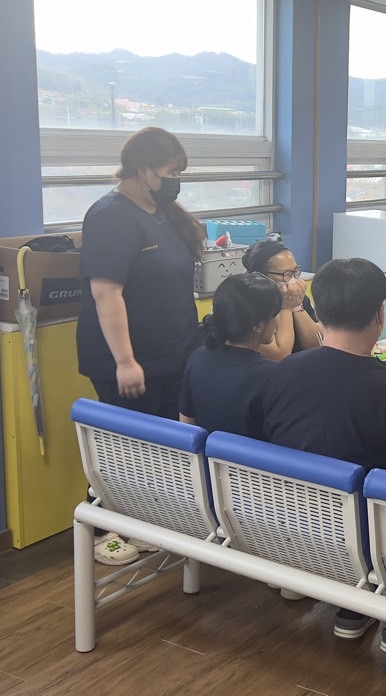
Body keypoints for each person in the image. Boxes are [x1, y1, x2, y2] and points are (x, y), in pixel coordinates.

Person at [260, 257, 386, 656]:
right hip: (369, 537)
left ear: (320, 311)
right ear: (380, 313)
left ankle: (354, 607)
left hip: (293, 524)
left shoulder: (283, 371)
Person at [75, 127, 204, 567]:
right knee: (121, 449)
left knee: (160, 449)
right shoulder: (110, 215)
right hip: (130, 360)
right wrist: (126, 361)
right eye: (171, 172)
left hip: (174, 353)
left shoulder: (162, 213)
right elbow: (106, 293)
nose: (176, 181)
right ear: (143, 170)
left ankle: (141, 523)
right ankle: (102, 530)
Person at [178, 273, 282, 438]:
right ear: (258, 325)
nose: (278, 320)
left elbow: (187, 427)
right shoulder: (273, 375)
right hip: (250, 456)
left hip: (205, 454)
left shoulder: (198, 358)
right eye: (275, 313)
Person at [241, 240, 325, 361]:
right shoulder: (248, 305)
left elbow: (317, 343)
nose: (293, 279)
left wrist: (296, 306)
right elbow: (279, 356)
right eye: (286, 274)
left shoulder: (293, 296)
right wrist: (286, 307)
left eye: (295, 271)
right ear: (259, 276)